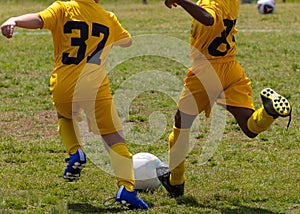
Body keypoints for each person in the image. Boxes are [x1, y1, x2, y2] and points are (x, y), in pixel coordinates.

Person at [1, 0, 148, 210]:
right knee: (113, 136)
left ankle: (75, 151)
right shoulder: (108, 17)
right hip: (96, 88)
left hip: (65, 83)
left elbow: (39, 19)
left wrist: (14, 20)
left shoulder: (63, 8)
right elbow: (127, 41)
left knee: (66, 117)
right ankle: (127, 188)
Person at [158, 0, 292, 198]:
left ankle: (175, 182)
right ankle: (269, 112)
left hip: (206, 72)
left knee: (181, 123)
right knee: (249, 127)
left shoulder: (212, 3)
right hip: (230, 69)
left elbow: (208, 18)